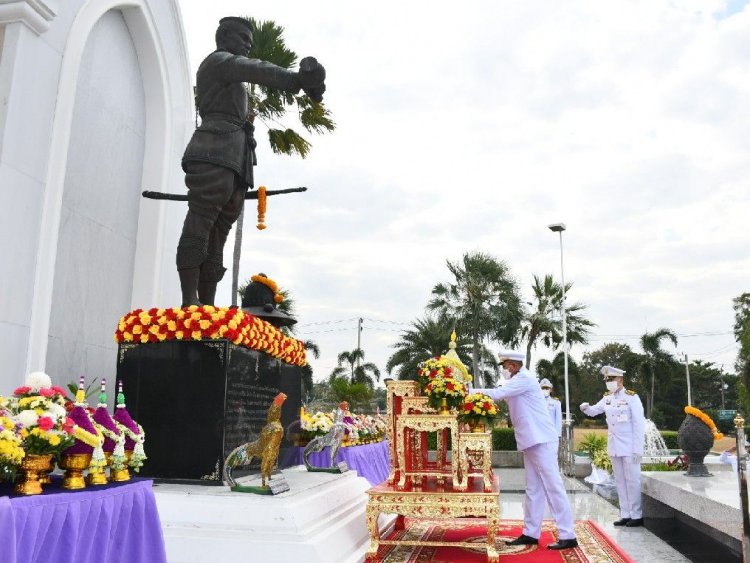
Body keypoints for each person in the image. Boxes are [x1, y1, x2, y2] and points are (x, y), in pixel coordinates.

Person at [177, 16, 326, 306]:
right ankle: (188, 299)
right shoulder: (219, 61)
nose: (247, 45)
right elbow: (254, 69)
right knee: (201, 222)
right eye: (243, 38)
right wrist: (296, 80)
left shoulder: (229, 72)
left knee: (219, 232)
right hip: (213, 150)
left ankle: (207, 302)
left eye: (249, 40)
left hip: (235, 155)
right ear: (225, 37)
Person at [473, 351, 578, 550]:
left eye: (505, 366)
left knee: (553, 486)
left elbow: (496, 394)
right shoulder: (518, 379)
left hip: (541, 439)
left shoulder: (524, 378)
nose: (504, 370)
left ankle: (567, 534)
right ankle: (531, 532)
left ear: (512, 365)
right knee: (533, 488)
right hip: (532, 440)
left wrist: (467, 391)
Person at [580, 365, 646, 527]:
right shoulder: (607, 398)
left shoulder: (632, 398)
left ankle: (636, 515)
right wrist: (586, 408)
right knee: (620, 480)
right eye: (607, 380)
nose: (609, 382)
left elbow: (639, 424)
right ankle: (625, 513)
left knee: (633, 480)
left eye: (611, 379)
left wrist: (638, 448)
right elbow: (595, 410)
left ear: (621, 380)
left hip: (630, 447)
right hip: (615, 446)